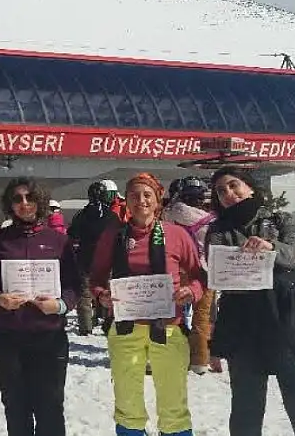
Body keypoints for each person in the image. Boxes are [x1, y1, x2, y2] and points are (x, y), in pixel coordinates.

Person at [207, 167, 295, 436]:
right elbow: (219, 273)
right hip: (243, 323)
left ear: (250, 187)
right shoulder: (218, 230)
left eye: (234, 185)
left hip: (286, 318)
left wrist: (270, 248)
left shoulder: (282, 220)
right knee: (246, 407)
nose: (229, 194)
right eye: (221, 191)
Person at [89, 173, 204, 436]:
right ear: (126, 202)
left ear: (157, 200)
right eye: (134, 195)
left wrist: (191, 291)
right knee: (127, 400)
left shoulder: (177, 235)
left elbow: (200, 276)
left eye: (147, 195)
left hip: (169, 327)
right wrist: (101, 295)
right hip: (126, 329)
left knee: (174, 401)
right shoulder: (114, 236)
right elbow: (95, 278)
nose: (140, 200)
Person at [0, 177, 80, 436]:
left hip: (49, 336)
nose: (24, 204)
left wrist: (59, 305)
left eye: (30, 198)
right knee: (16, 407)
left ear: (40, 202)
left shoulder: (58, 241)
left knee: (51, 407)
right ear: (10, 205)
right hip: (8, 337)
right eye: (17, 199)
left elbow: (74, 287)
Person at [162, 177, 216, 374]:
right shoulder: (210, 221)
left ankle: (169, 355)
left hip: (175, 269)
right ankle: (200, 360)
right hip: (203, 270)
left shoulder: (169, 214)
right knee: (202, 316)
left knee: (172, 314)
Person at [67, 180, 122, 336]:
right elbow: (119, 236)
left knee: (84, 294)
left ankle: (85, 326)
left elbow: (72, 234)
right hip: (107, 259)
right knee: (106, 291)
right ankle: (106, 322)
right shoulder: (112, 216)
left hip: (85, 258)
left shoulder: (82, 214)